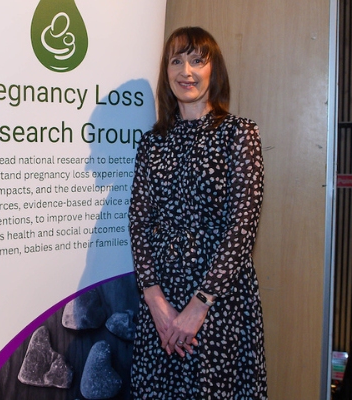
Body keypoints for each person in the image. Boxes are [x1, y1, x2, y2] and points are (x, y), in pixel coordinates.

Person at [128, 26, 268, 398]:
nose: (185, 71)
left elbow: (242, 230)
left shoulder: (240, 135)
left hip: (218, 301)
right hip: (161, 303)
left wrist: (199, 305)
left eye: (196, 60)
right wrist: (154, 300)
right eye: (176, 61)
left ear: (213, 70)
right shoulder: (152, 142)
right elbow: (138, 223)